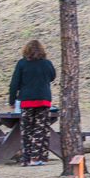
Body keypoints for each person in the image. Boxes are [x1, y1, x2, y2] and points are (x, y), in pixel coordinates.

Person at [8, 39, 56, 167]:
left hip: (26, 101)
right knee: (41, 129)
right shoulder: (47, 63)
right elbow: (52, 77)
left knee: (26, 130)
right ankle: (37, 158)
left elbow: (14, 83)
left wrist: (12, 100)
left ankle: (25, 159)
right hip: (43, 100)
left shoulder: (22, 64)